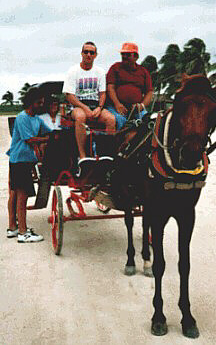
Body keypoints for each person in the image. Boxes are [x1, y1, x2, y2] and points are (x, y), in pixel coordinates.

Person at [7, 87, 52, 242]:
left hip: (23, 160)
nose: (41, 105)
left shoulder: (36, 119)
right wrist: (47, 140)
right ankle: (23, 232)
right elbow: (29, 139)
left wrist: (53, 135)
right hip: (20, 160)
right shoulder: (22, 117)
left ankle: (13, 227)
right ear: (32, 102)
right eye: (39, 102)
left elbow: (48, 132)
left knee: (15, 193)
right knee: (22, 196)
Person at [62, 42, 115, 171]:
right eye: (86, 52)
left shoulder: (100, 72)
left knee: (111, 119)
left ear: (96, 55)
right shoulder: (73, 71)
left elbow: (102, 94)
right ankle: (82, 156)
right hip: (77, 105)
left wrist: (99, 108)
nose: (88, 55)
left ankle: (106, 154)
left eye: (91, 52)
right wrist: (85, 108)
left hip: (95, 105)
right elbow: (69, 96)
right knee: (80, 116)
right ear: (81, 54)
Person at [106, 42, 153, 130]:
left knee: (148, 122)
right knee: (119, 120)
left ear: (136, 57)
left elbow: (149, 92)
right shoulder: (115, 68)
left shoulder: (143, 71)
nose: (124, 57)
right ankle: (116, 142)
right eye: (123, 54)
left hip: (136, 109)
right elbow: (110, 88)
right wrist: (117, 104)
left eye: (128, 55)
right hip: (116, 107)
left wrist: (142, 106)